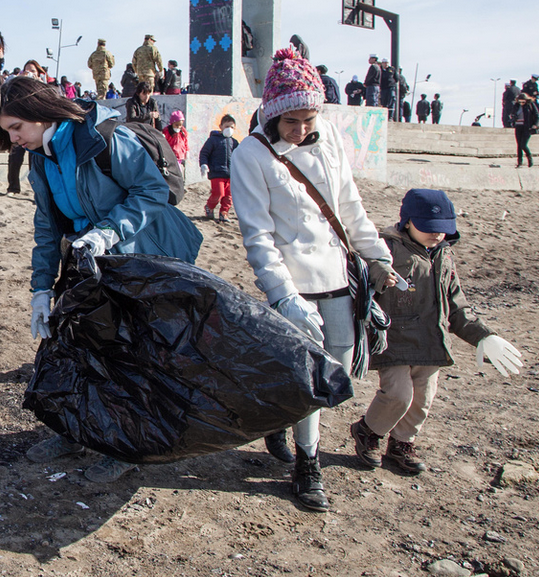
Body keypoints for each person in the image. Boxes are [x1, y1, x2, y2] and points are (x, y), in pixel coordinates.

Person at [0, 76, 204, 484]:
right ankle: (75, 432)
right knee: (80, 346)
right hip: (90, 259)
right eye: (7, 131)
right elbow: (47, 226)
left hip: (143, 255)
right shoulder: (40, 156)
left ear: (39, 112)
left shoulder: (104, 137)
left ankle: (128, 446)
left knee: (135, 355)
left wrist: (107, 231)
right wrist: (40, 288)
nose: (13, 138)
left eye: (16, 127)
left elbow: (152, 191)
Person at [229, 47, 397, 512]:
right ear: (272, 114)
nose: (301, 130)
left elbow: (350, 208)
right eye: (291, 121)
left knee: (336, 370)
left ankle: (283, 422)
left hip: (338, 278)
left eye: (309, 119)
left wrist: (377, 257)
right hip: (294, 284)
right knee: (310, 376)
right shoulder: (251, 155)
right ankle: (309, 462)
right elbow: (258, 236)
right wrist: (284, 296)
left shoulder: (330, 140)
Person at [349, 189, 522, 474]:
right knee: (398, 394)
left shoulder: (445, 255)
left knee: (423, 398)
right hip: (395, 341)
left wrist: (484, 335)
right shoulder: (387, 247)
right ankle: (369, 431)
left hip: (431, 341)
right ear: (407, 222)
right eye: (428, 227)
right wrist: (378, 273)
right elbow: (362, 270)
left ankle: (402, 442)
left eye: (442, 228)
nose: (436, 234)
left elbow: (456, 306)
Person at [6, 60, 48, 196]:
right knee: (15, 158)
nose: (29, 73)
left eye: (33, 71)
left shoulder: (43, 86)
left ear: (39, 74)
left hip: (35, 129)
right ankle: (13, 188)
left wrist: (39, 84)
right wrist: (20, 82)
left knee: (35, 162)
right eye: (26, 71)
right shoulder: (17, 86)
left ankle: (38, 192)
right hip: (19, 127)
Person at [199, 114, 239, 222]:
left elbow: (239, 157)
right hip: (216, 173)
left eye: (232, 127)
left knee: (229, 196)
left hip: (231, 174)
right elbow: (204, 153)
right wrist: (203, 164)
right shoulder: (213, 140)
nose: (229, 129)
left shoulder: (234, 142)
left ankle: (224, 213)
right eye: (227, 126)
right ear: (221, 126)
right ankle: (209, 207)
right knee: (219, 193)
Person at [511, 94, 538, 167]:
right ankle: (519, 162)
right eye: (520, 102)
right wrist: (513, 118)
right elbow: (513, 113)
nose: (521, 103)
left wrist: (535, 125)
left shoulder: (530, 105)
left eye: (523, 102)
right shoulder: (516, 105)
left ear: (526, 100)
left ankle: (530, 158)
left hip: (527, 127)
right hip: (518, 126)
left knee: (523, 145)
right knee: (519, 145)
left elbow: (536, 115)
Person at [164, 110, 189, 176]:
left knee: (178, 169)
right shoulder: (167, 131)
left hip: (179, 155)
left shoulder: (182, 131)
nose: (178, 127)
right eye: (176, 125)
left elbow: (185, 141)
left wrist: (187, 150)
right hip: (170, 154)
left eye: (180, 125)